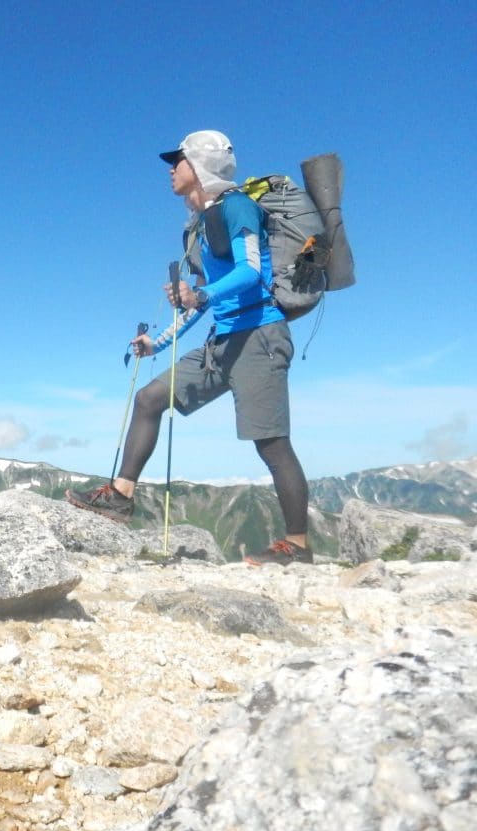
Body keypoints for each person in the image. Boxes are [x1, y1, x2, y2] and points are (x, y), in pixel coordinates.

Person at [66, 130, 313, 566]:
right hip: (224, 340)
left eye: (177, 161)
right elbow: (200, 299)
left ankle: (297, 546)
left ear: (199, 166)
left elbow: (253, 272)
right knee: (149, 399)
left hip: (260, 337)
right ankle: (121, 496)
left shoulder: (237, 207)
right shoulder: (200, 226)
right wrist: (156, 342)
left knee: (271, 444)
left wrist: (201, 295)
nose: (170, 170)